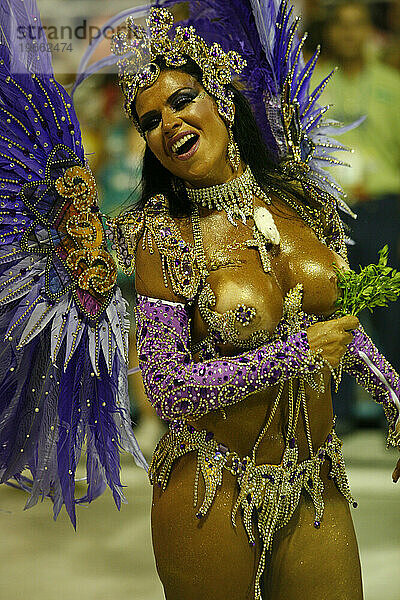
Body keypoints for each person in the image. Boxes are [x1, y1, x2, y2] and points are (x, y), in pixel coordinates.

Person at [0, 2, 399, 600]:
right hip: (210, 485)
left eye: (182, 100)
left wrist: (395, 398)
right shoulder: (162, 239)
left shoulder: (304, 200)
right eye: (151, 119)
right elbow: (166, 385)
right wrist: (292, 356)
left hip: (315, 478)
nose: (169, 123)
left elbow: (338, 327)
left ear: (223, 99)